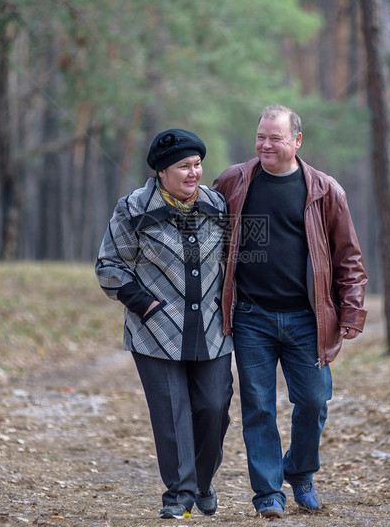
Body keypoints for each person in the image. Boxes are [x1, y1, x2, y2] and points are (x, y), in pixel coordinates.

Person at [213, 104, 367, 519]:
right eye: (260, 136)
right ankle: (267, 494)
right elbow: (207, 239)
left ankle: (299, 472)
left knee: (315, 400)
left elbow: (348, 257)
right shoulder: (234, 181)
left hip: (307, 318)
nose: (265, 144)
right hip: (251, 317)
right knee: (258, 406)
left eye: (275, 138)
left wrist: (352, 312)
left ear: (296, 141)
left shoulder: (324, 190)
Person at [95, 128, 233, 519]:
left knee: (214, 408)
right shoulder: (132, 209)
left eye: (197, 165)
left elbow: (236, 259)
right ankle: (179, 496)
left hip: (210, 328)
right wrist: (145, 305)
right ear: (161, 172)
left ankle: (203, 481)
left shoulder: (217, 206)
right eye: (184, 167)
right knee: (171, 415)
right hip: (156, 330)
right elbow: (108, 265)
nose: (194, 173)